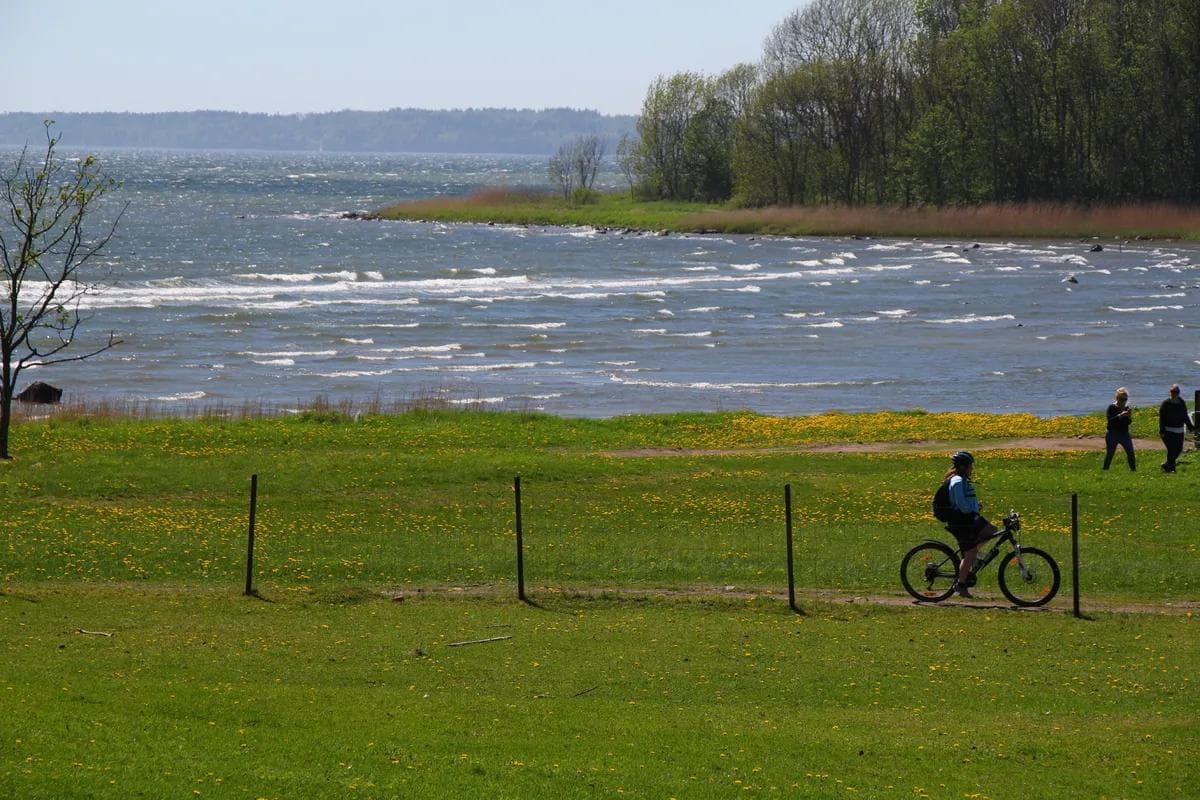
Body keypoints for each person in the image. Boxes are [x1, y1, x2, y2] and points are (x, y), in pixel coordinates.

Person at [943, 450, 998, 598]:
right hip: (961, 521)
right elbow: (960, 504)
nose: (971, 468)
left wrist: (975, 507)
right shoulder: (957, 481)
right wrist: (973, 509)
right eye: (970, 466)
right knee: (971, 551)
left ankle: (969, 557)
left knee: (992, 530)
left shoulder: (962, 480)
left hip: (969, 517)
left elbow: (966, 500)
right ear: (962, 467)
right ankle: (960, 584)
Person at [1158, 384, 1194, 472]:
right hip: (1167, 431)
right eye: (1172, 392)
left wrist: (1190, 426)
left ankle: (1167, 465)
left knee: (1178, 450)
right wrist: (1162, 430)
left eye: (1176, 392)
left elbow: (1185, 416)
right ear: (1170, 392)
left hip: (1179, 431)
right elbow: (1161, 419)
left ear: (1179, 393)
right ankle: (1171, 469)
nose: (1174, 393)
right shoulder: (1165, 404)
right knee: (1171, 450)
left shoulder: (1181, 402)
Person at [1103, 387, 1136, 471]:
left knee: (1131, 452)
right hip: (1112, 433)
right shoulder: (1112, 407)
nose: (1123, 401)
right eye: (1121, 399)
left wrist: (1128, 417)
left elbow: (1128, 423)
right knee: (1110, 453)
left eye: (1125, 399)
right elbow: (1110, 421)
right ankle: (1105, 469)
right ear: (1117, 398)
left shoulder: (1126, 408)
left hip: (1124, 433)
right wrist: (1120, 416)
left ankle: (1133, 470)